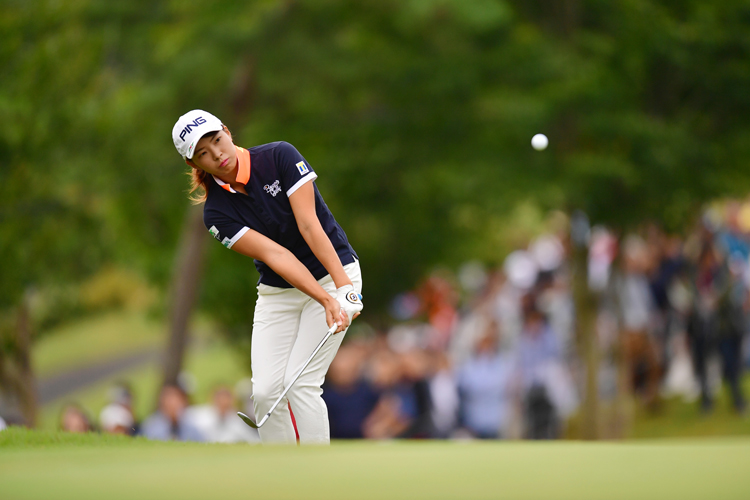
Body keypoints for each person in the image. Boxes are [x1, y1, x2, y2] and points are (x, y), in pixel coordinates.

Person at [172, 110, 363, 445]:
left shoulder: (279, 157)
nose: (217, 154)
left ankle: (320, 480)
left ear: (227, 132)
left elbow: (309, 226)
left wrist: (342, 290)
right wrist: (321, 299)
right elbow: (276, 255)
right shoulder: (215, 213)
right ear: (194, 164)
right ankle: (286, 479)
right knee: (265, 393)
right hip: (279, 293)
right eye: (202, 153)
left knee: (301, 382)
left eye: (216, 141)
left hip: (334, 274)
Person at [140, 383, 204, 442]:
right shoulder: (151, 426)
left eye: (177, 400)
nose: (173, 404)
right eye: (169, 400)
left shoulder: (191, 425)